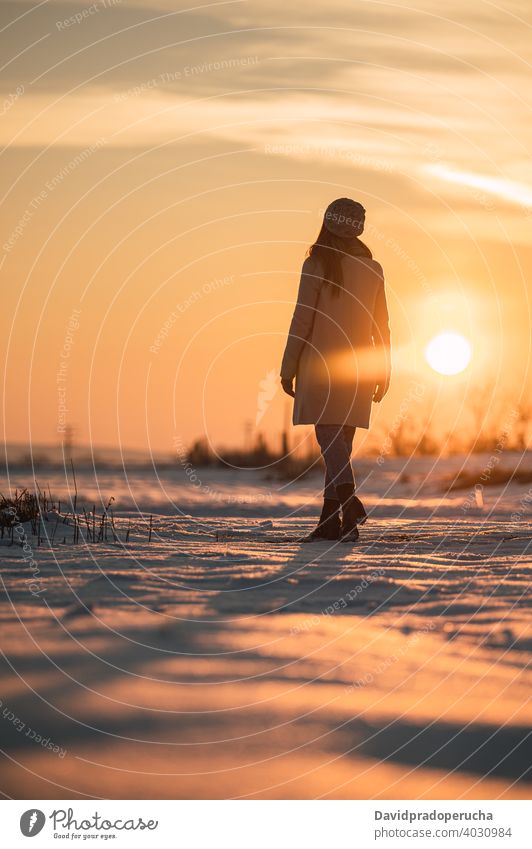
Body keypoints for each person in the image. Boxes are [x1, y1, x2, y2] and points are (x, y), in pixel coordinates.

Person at [280, 197, 391, 542]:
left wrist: (288, 366)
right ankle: (335, 524)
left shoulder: (316, 264)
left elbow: (302, 318)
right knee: (339, 443)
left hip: (321, 364)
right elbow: (382, 327)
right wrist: (383, 371)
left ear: (328, 224)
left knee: (330, 440)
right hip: (360, 367)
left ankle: (349, 500)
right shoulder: (373, 269)